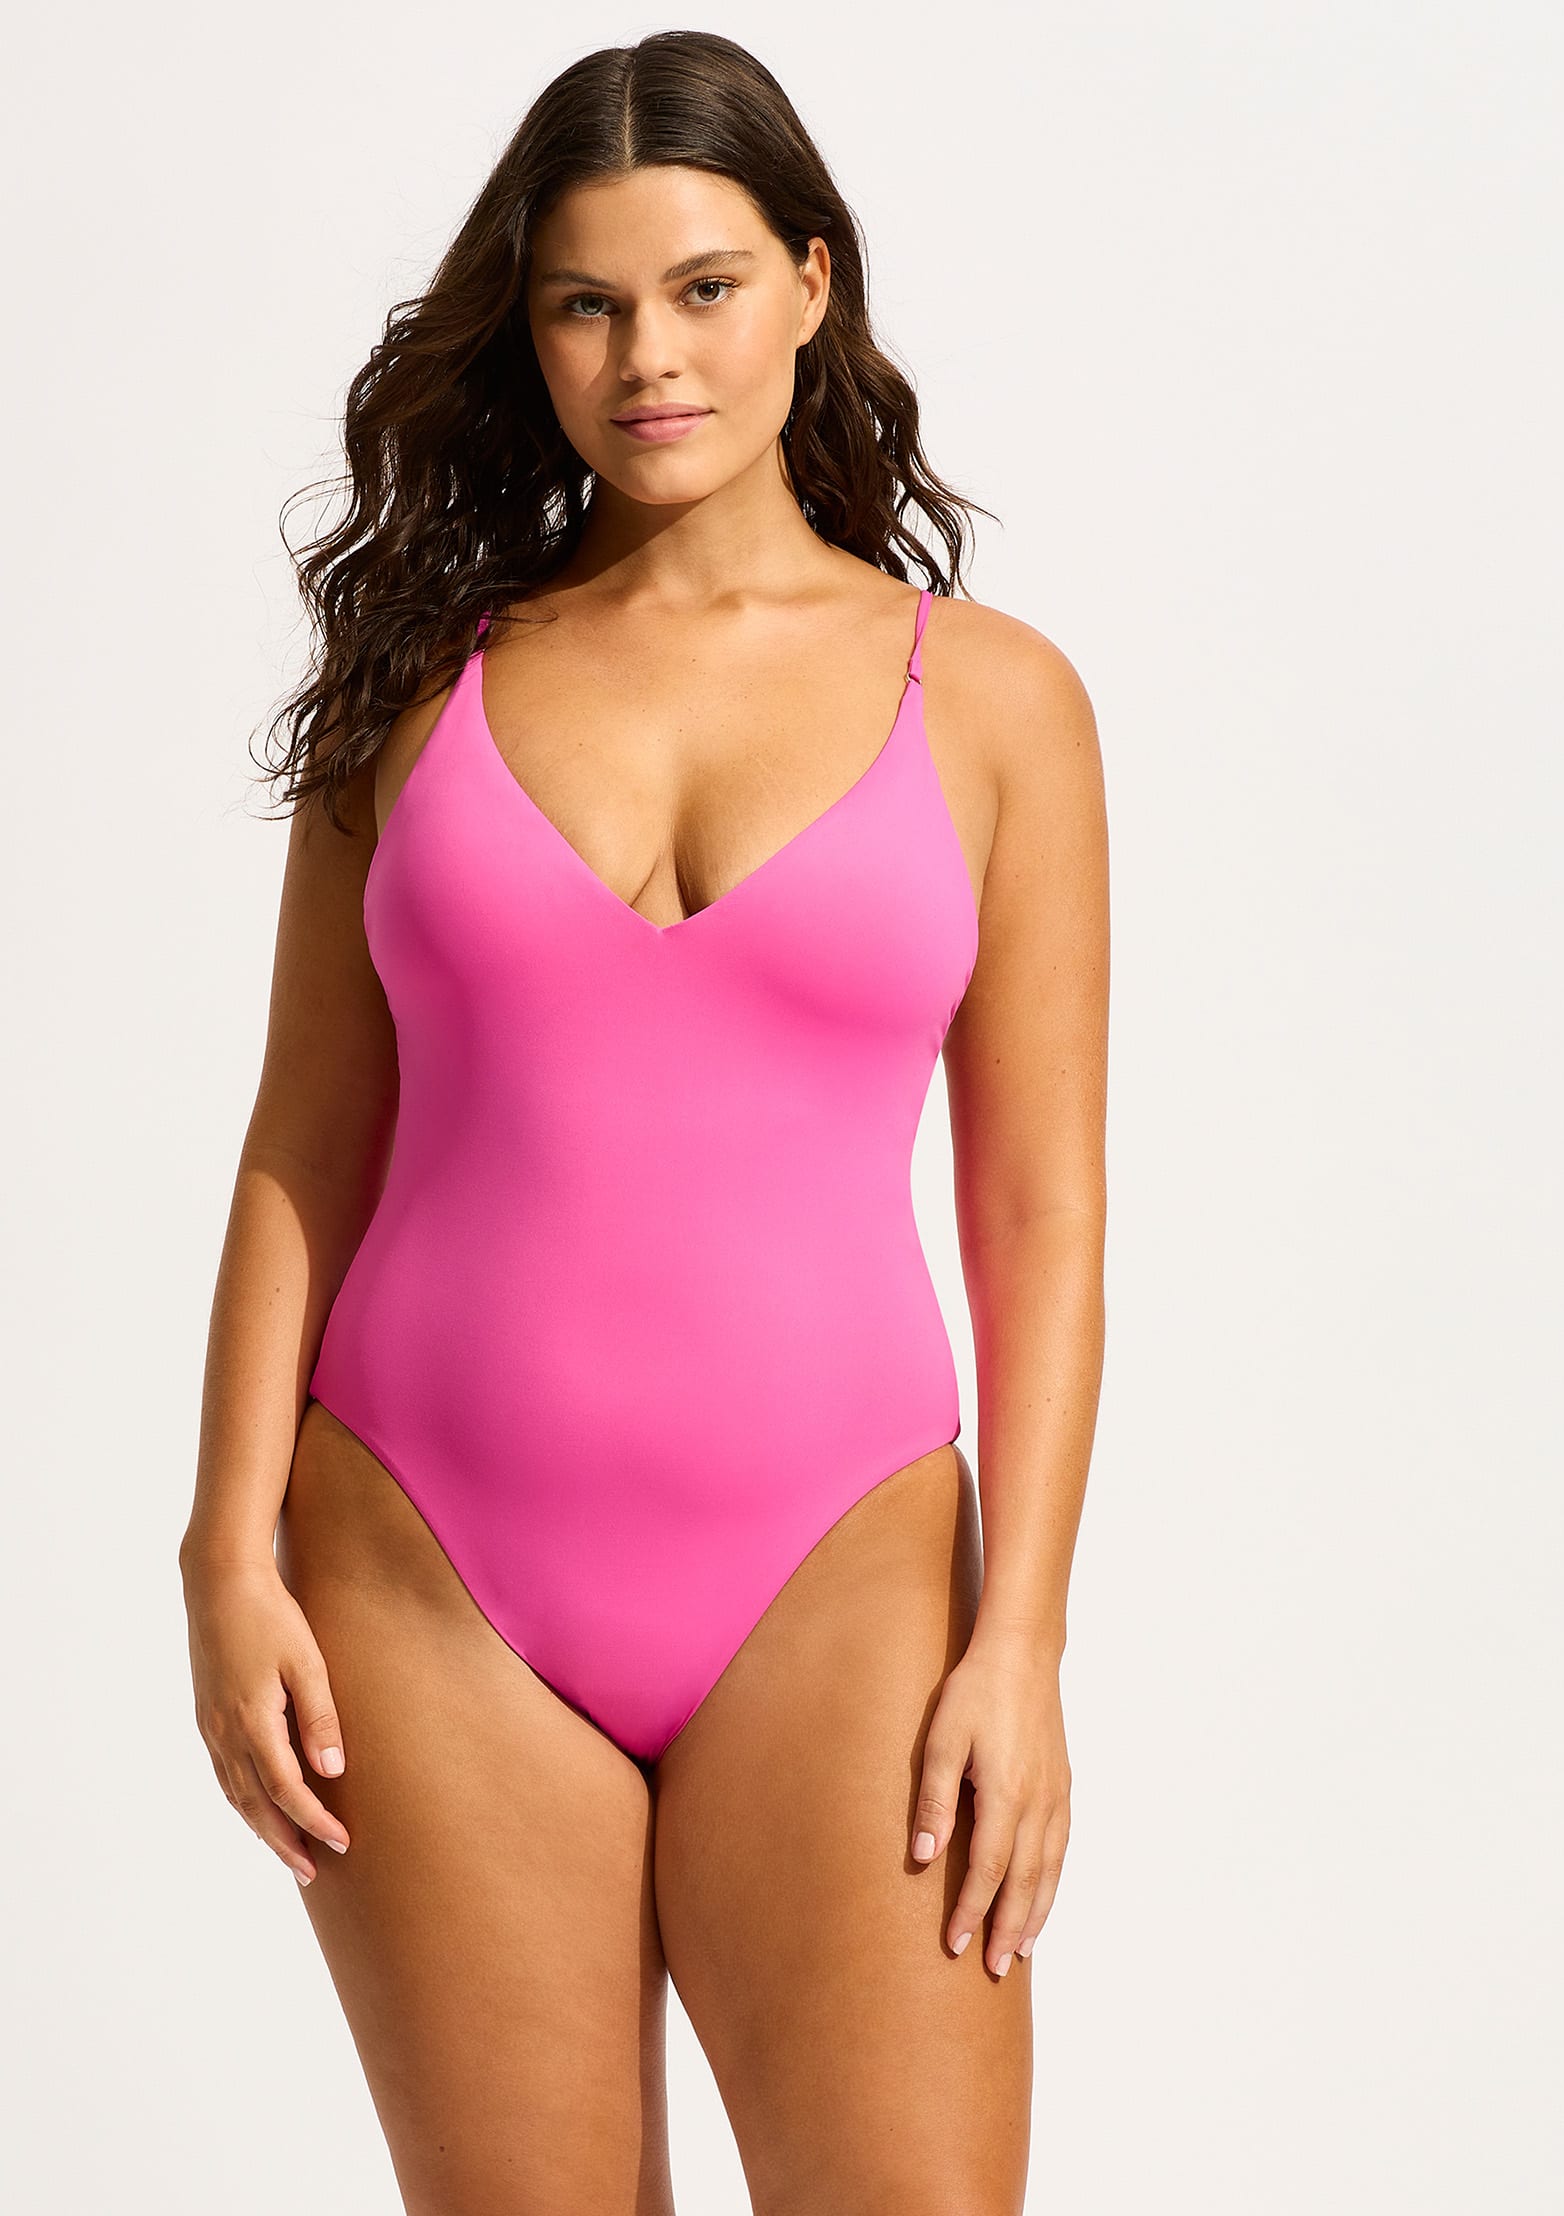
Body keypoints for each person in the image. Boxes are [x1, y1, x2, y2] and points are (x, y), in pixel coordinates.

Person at [180, 29, 1107, 2216]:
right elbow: (303, 1139)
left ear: (810, 281)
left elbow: (1040, 1204)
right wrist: (222, 1548)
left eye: (703, 288)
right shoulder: (418, 683)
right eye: (585, 304)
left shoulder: (992, 699)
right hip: (420, 1571)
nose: (647, 359)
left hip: (842, 1574)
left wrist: (1023, 1642)